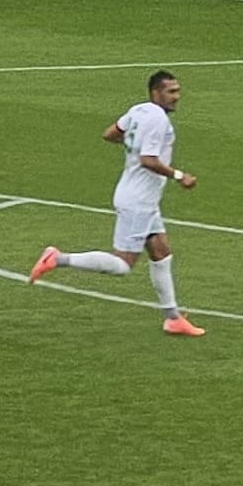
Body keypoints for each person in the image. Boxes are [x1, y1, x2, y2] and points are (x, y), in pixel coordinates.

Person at [31, 68, 204, 335]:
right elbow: (149, 161)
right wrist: (180, 176)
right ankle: (58, 258)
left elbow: (110, 134)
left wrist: (133, 147)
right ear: (155, 93)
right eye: (171, 92)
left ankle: (173, 318)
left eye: (178, 91)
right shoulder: (158, 120)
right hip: (138, 201)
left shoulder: (138, 110)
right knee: (122, 265)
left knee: (160, 251)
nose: (177, 97)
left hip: (138, 195)